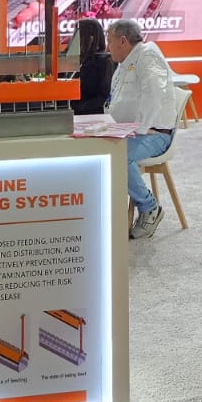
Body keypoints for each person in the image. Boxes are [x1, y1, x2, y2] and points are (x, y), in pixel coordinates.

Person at [106, 18, 181, 239]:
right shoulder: (126, 62)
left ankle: (149, 207)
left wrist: (141, 128)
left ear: (123, 41)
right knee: (102, 150)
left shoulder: (147, 57)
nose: (108, 47)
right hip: (132, 130)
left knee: (119, 157)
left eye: (110, 41)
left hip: (155, 134)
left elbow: (153, 95)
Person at [71, 18, 114, 114]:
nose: (74, 40)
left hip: (92, 116)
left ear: (90, 39)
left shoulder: (103, 61)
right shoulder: (77, 59)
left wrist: (76, 107)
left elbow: (103, 95)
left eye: (78, 36)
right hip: (75, 113)